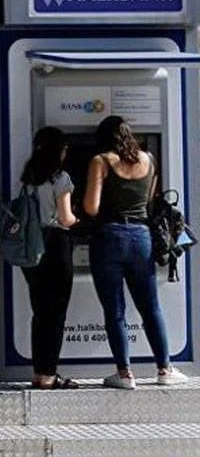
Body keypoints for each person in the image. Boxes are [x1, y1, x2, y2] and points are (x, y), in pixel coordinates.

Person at [84, 116, 188, 389]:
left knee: (115, 309)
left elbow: (91, 207)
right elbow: (149, 201)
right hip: (142, 238)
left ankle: (124, 374)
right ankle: (164, 369)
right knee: (151, 306)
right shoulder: (149, 160)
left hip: (109, 237)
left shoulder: (100, 161)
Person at [19, 127, 80, 389]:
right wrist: (79, 219)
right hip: (55, 245)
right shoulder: (61, 179)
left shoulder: (28, 178)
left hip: (32, 247)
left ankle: (38, 372)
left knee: (40, 312)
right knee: (56, 313)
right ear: (59, 151)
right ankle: (49, 375)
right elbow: (65, 218)